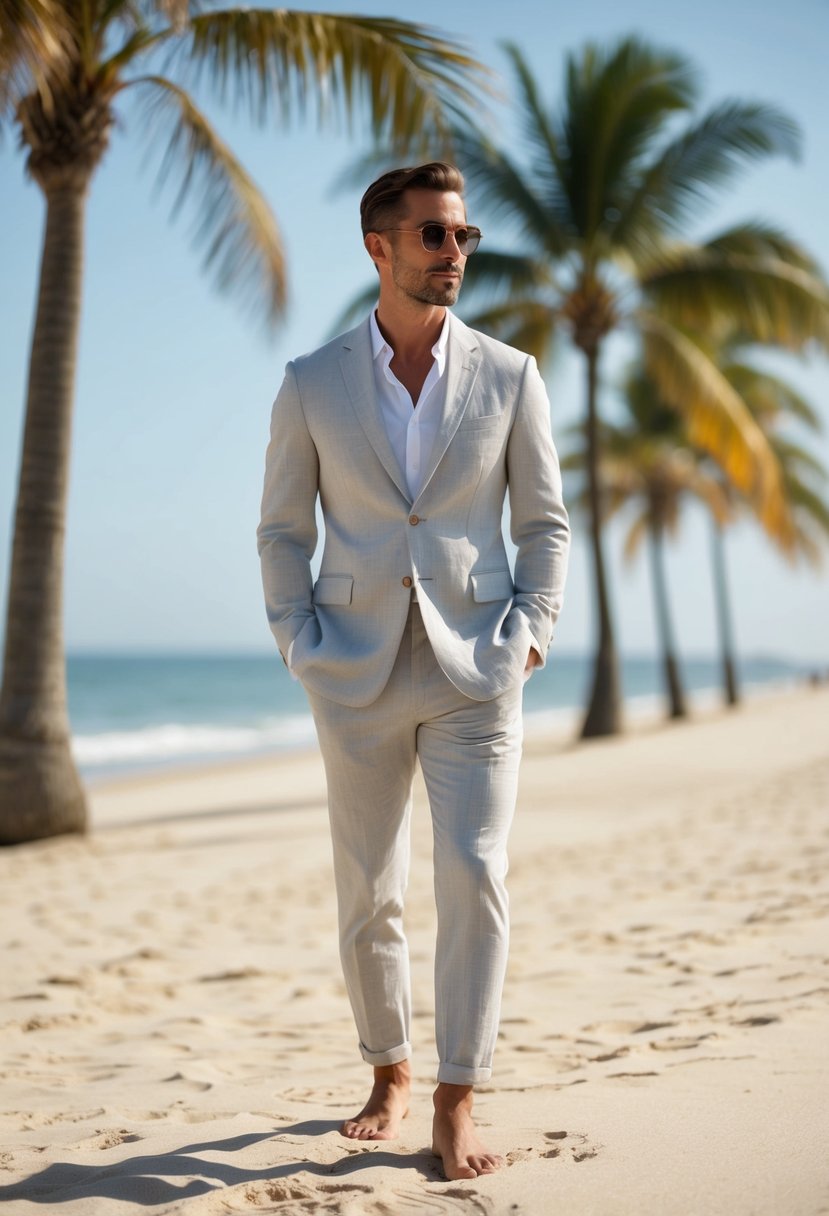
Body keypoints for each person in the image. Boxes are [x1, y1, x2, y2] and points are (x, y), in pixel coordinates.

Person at [257, 162, 570, 1180]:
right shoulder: (310, 382)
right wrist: (297, 640)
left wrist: (530, 632)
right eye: (435, 235)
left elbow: (543, 524)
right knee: (368, 889)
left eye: (463, 236)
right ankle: (387, 1068)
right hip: (349, 669)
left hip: (477, 665)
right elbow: (279, 528)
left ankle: (455, 1095)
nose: (456, 253)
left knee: (474, 873)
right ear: (378, 246)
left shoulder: (511, 375)